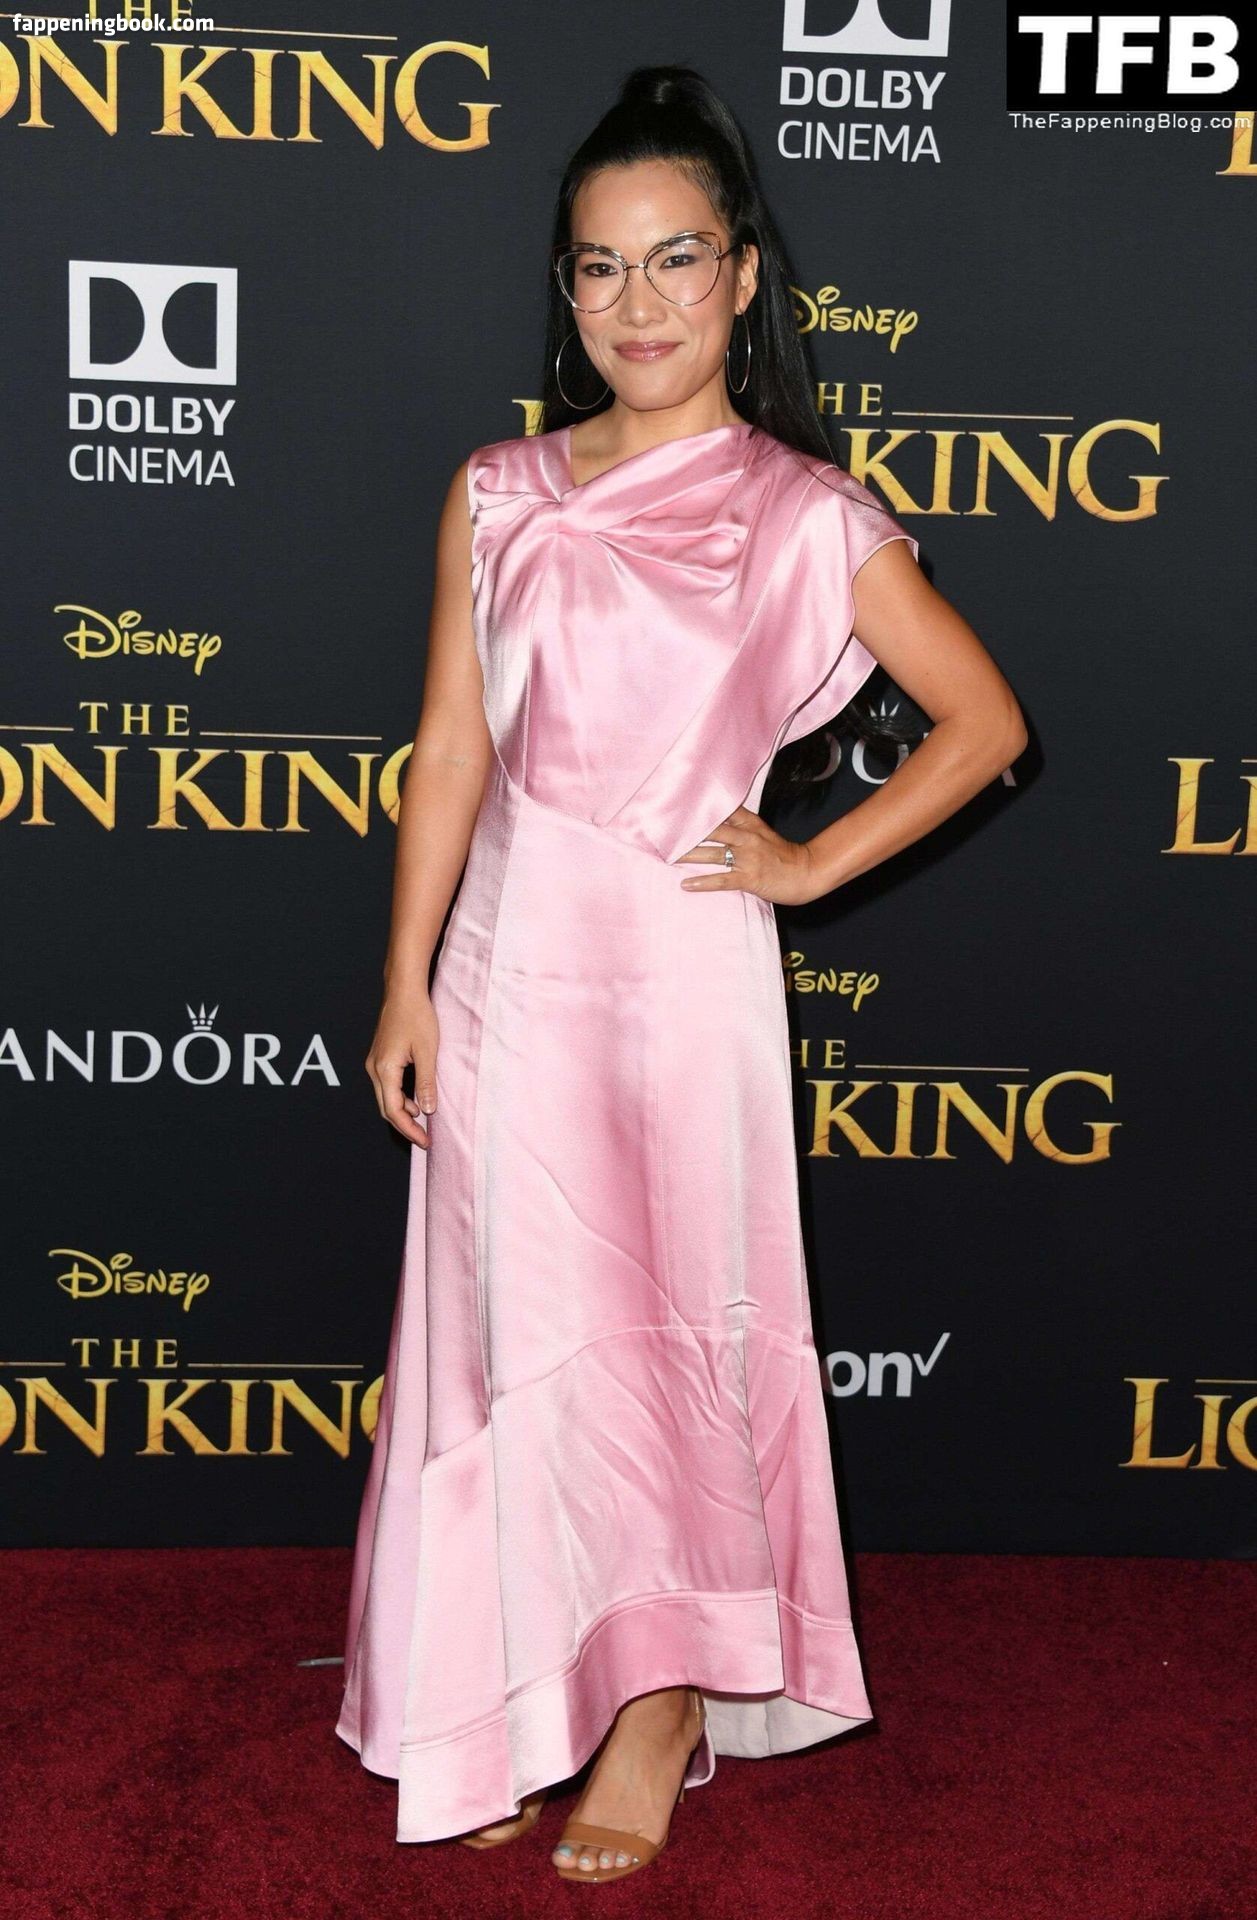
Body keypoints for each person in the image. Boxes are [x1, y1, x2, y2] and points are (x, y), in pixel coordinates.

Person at [336, 65, 1027, 1885]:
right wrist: (406, 982)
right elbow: (451, 748)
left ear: (739, 276)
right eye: (598, 267)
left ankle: (659, 1706)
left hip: (675, 990)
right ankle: (488, 1704)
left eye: (673, 259)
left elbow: (982, 724)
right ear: (564, 289)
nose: (635, 303)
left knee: (664, 1343)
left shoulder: (802, 514)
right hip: (505, 975)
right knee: (497, 1352)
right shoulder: (495, 491)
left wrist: (804, 860)